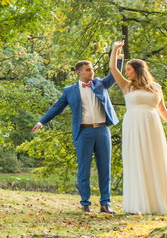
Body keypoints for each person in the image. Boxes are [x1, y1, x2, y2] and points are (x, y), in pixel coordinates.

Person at [31, 55, 120, 214]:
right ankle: (85, 204)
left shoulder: (101, 84)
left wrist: (118, 56)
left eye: (92, 69)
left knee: (105, 168)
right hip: (83, 132)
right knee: (84, 169)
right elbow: (57, 108)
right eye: (88, 70)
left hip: (102, 131)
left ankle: (105, 204)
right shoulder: (69, 91)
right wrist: (41, 122)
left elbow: (115, 74)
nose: (92, 72)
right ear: (79, 72)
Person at [109, 40, 167, 215]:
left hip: (152, 126)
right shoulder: (127, 86)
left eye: (129, 69)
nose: (126, 73)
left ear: (138, 70)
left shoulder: (156, 87)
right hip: (133, 126)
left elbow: (162, 109)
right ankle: (140, 203)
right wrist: (115, 49)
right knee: (137, 160)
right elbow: (113, 69)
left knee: (156, 159)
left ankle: (159, 203)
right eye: (126, 70)